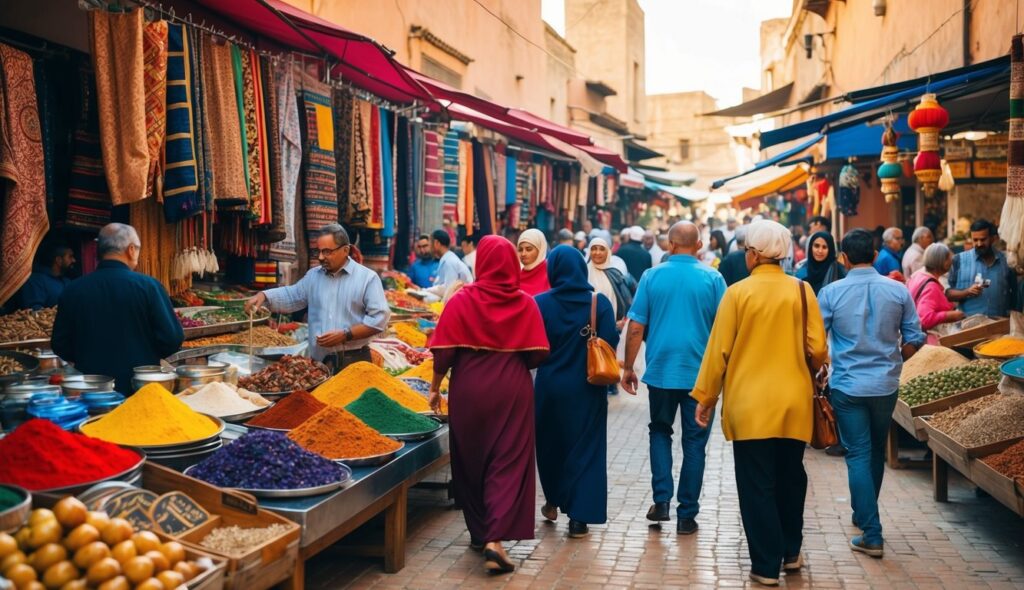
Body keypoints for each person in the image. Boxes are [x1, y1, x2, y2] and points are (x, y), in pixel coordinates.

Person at [691, 220, 829, 586]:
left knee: (757, 485)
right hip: (794, 403)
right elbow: (818, 350)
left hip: (750, 406)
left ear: (753, 254)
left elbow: (718, 351)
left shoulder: (738, 293)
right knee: (790, 477)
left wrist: (705, 397)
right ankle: (792, 551)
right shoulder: (802, 291)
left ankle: (766, 566)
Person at [427, 236, 549, 574]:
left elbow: (443, 352)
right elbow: (538, 354)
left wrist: (435, 388)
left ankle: (481, 532)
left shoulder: (461, 300)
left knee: (471, 458)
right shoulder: (525, 303)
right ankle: (495, 539)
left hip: (468, 387)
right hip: (511, 388)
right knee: (507, 460)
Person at [818, 229, 926, 560]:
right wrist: (894, 361)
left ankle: (871, 531)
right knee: (874, 451)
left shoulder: (831, 292)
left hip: (848, 385)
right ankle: (865, 515)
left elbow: (816, 341)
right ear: (876, 254)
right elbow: (915, 337)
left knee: (857, 454)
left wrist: (819, 370)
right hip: (885, 385)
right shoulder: (897, 291)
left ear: (843, 258)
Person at [622, 221, 726, 535]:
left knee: (660, 431)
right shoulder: (713, 277)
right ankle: (687, 515)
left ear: (669, 244)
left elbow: (636, 327)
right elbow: (724, 330)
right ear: (699, 246)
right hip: (700, 376)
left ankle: (662, 500)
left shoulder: (652, 277)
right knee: (695, 443)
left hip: (662, 371)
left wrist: (628, 367)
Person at [534, 246, 619, 539]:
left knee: (550, 446)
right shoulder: (599, 304)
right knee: (586, 449)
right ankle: (579, 517)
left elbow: (532, 348)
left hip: (549, 388)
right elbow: (610, 342)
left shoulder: (540, 303)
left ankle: (554, 499)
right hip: (588, 389)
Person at [51, 224, 184, 393]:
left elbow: (60, 343)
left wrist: (87, 357)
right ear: (131, 250)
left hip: (93, 391)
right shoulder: (149, 287)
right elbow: (172, 338)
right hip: (140, 388)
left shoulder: (73, 290)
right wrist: (146, 354)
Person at [245, 224, 390, 371]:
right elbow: (293, 295)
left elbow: (379, 319)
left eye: (327, 252)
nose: (320, 257)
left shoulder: (367, 278)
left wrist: (346, 335)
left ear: (345, 250)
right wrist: (263, 295)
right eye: (318, 251)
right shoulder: (314, 276)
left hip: (354, 362)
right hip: (319, 363)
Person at [947, 219, 1017, 317]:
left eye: (983, 239)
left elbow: (1015, 293)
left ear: (993, 238)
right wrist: (966, 292)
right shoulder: (958, 260)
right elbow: (947, 294)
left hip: (1000, 325)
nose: (979, 244)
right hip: (968, 326)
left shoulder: (1006, 261)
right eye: (975, 240)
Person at [908, 243, 964, 343]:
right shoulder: (931, 286)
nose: (951, 262)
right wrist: (950, 315)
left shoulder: (918, 274)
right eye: (948, 258)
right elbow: (925, 319)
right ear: (941, 262)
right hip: (929, 340)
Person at [587, 238, 635, 328]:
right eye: (594, 248)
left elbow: (625, 299)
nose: (597, 252)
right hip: (588, 328)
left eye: (602, 249)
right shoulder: (583, 272)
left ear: (608, 252)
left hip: (613, 328)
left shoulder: (614, 274)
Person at [18, 244, 75, 310]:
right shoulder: (36, 281)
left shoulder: (67, 281)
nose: (74, 260)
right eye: (70, 257)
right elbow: (34, 311)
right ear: (59, 260)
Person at [518, 229, 551, 296]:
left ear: (540, 250)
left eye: (529, 249)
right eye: (520, 250)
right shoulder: (515, 277)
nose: (523, 254)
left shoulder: (551, 274)